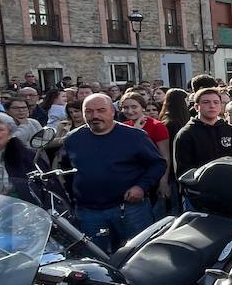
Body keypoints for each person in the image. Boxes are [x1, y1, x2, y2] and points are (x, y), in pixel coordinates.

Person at [61, 95, 166, 251]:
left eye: (101, 110)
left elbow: (157, 164)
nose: (95, 116)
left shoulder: (134, 136)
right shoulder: (72, 139)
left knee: (138, 254)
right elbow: (67, 171)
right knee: (96, 258)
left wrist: (141, 187)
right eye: (88, 111)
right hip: (89, 212)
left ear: (113, 111)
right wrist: (74, 199)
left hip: (130, 210)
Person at [173, 87, 232, 179]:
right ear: (196, 107)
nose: (212, 106)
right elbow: (184, 171)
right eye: (206, 102)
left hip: (231, 184)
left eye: (216, 102)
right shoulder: (186, 134)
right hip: (200, 189)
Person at [121, 93, 173, 202]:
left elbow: (165, 156)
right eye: (125, 107)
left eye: (134, 107)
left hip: (152, 178)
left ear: (143, 108)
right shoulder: (123, 126)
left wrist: (163, 182)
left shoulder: (157, 126)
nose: (130, 111)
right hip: (130, 178)